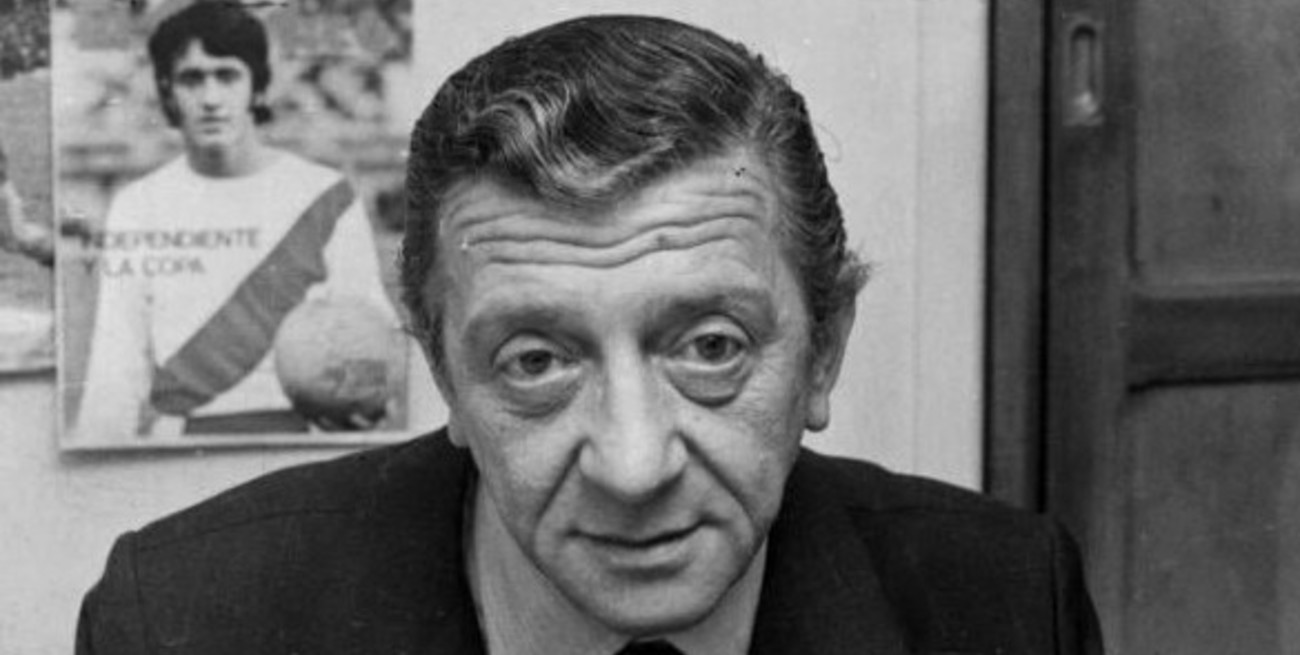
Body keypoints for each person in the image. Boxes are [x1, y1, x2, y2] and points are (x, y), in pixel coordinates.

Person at [76, 14, 1104, 654]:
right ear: (442, 370)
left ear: (824, 346)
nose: (633, 463)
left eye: (711, 347)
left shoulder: (1010, 603)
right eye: (535, 362)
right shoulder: (182, 622)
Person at [73, 2, 400, 439]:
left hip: (302, 440)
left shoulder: (325, 196)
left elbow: (370, 337)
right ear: (168, 91)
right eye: (192, 79)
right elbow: (115, 365)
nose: (210, 99)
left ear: (257, 87)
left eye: (227, 76)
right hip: (182, 441)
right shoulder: (138, 206)